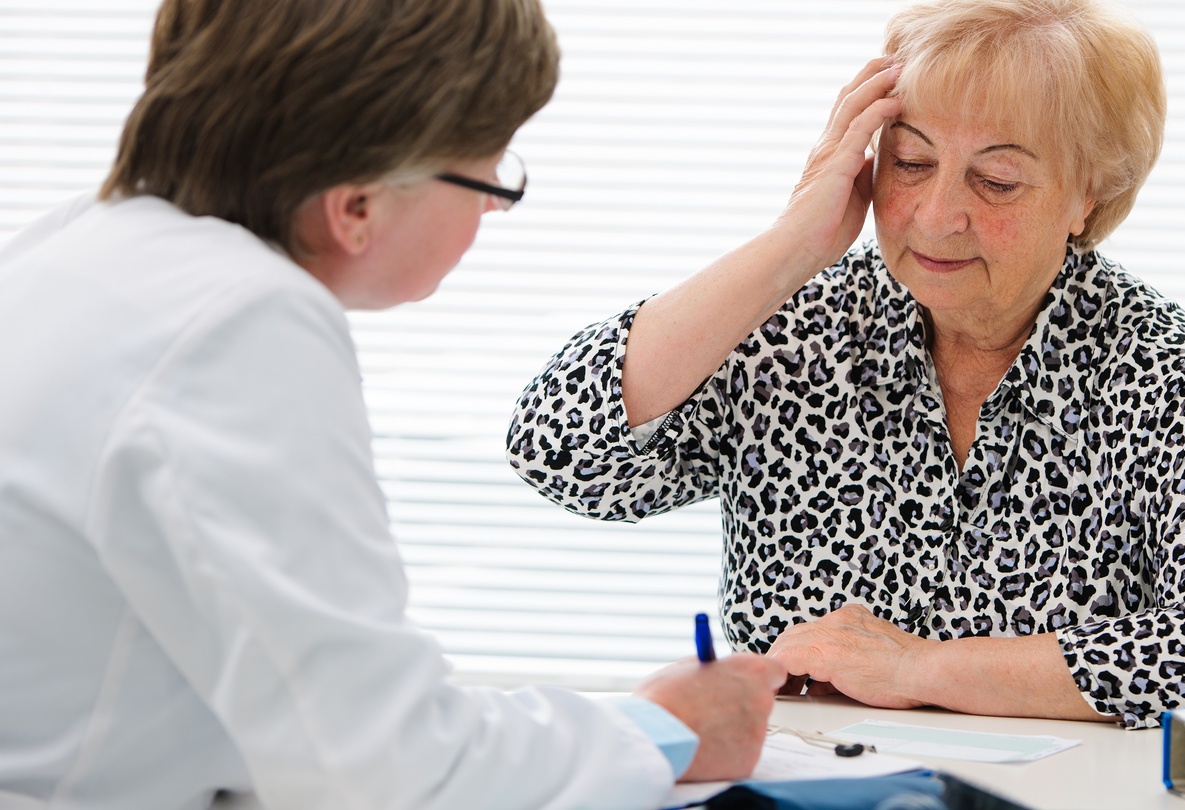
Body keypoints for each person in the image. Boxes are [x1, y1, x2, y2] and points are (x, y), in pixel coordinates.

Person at [0, 1, 786, 808]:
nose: (492, 204)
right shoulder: (241, 320)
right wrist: (659, 729)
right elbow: (386, 770)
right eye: (488, 170)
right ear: (358, 206)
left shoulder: (68, 248)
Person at [508, 0, 1185, 729]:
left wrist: (917, 668)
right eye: (912, 162)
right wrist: (794, 244)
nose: (936, 216)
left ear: (1090, 197)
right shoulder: (803, 329)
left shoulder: (1160, 367)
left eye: (997, 179)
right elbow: (562, 453)